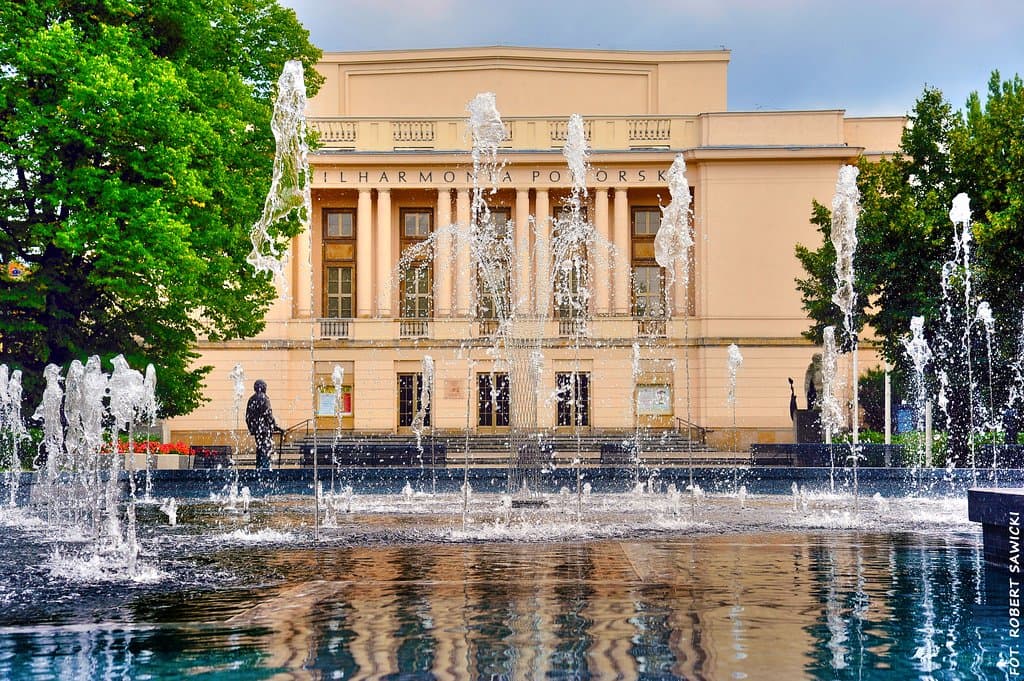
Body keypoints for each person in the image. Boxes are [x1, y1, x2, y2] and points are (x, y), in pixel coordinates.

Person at [245, 379, 284, 469]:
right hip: (265, 429)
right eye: (265, 386)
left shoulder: (251, 399)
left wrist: (252, 428)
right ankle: (265, 471)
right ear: (262, 387)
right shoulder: (264, 397)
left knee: (259, 449)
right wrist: (274, 426)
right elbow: (268, 414)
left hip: (257, 430)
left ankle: (259, 468)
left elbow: (247, 417)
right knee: (266, 449)